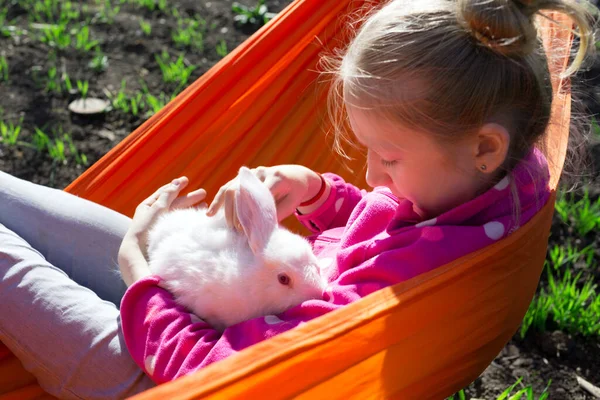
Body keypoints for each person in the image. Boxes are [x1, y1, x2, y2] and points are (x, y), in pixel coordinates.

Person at [0, 0, 593, 398]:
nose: (372, 175)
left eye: (388, 157)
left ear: (484, 146)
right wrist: (321, 194)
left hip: (158, 376)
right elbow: (393, 222)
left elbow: (218, 375)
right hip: (207, 310)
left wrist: (138, 272)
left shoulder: (394, 282)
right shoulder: (500, 182)